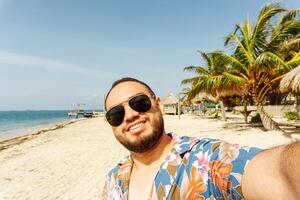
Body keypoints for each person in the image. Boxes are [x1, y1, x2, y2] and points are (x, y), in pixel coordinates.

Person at [101, 77, 300, 200]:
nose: (129, 115)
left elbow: (275, 171)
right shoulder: (113, 179)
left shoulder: (206, 159)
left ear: (159, 105)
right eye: (116, 114)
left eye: (139, 103)